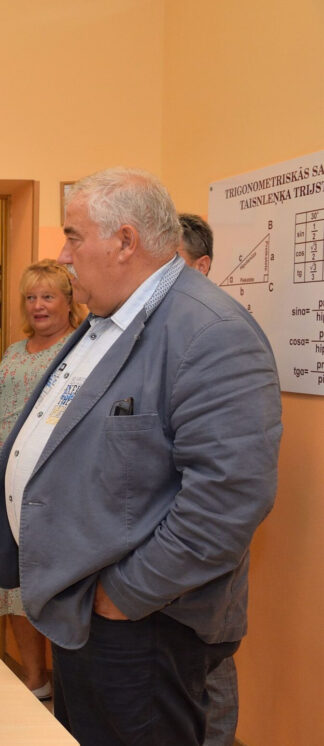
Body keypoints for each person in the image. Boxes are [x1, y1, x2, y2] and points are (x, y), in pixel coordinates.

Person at [0, 167, 281, 745]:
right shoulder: (109, 318)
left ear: (125, 241)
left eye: (73, 237)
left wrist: (121, 598)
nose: (63, 255)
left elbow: (228, 498)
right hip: (84, 610)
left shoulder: (211, 332)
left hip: (143, 624)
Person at [0, 259, 83, 700]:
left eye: (48, 296)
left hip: (52, 481)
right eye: (31, 297)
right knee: (12, 579)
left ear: (68, 301)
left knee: (54, 581)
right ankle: (35, 678)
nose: (38, 306)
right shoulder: (15, 352)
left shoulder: (81, 349)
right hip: (5, 479)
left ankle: (72, 687)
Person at [177, 212, 238, 746]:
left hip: (202, 541)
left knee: (209, 659)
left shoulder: (222, 336)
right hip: (158, 545)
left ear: (201, 267)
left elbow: (229, 481)